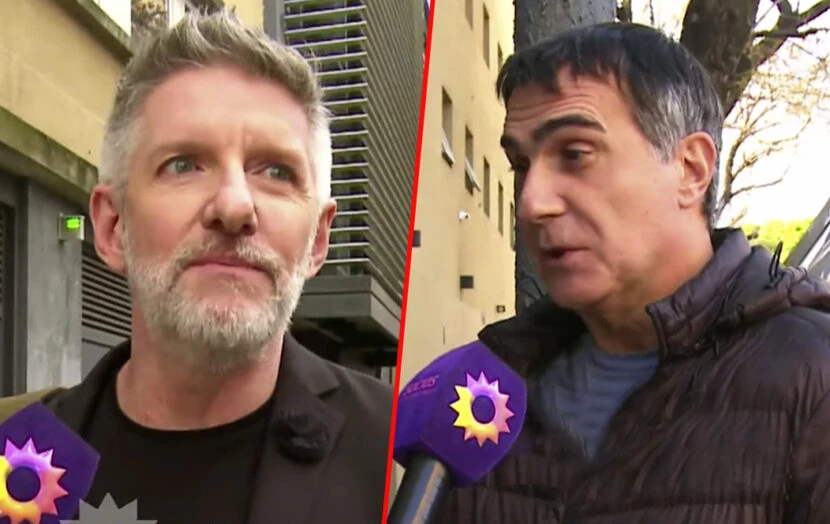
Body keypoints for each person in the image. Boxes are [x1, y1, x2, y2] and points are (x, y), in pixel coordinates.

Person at [0, 10, 392, 524]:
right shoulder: (13, 452)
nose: (234, 206)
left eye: (277, 172)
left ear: (318, 239)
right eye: (183, 164)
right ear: (113, 226)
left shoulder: (410, 463)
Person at [437, 22, 830, 523]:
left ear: (690, 169)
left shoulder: (814, 379)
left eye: (574, 155)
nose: (533, 203)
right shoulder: (485, 388)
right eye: (521, 165)